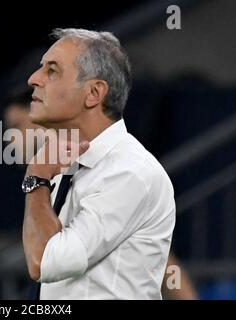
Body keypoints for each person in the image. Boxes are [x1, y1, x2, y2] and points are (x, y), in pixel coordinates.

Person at [21, 28, 176, 299]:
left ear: (94, 92)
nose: (33, 79)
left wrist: (36, 177)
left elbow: (43, 261)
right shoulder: (66, 165)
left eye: (52, 70)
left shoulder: (129, 172)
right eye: (40, 68)